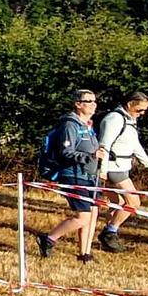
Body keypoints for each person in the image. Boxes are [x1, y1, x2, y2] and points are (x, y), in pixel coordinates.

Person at [36, 90, 105, 262]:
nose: (93, 104)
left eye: (94, 101)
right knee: (83, 216)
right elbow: (65, 151)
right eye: (88, 101)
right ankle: (49, 238)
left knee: (93, 214)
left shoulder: (88, 125)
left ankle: (84, 254)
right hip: (73, 174)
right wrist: (89, 157)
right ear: (78, 104)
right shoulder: (70, 125)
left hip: (90, 175)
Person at [95, 91, 148, 252]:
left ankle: (109, 238)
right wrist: (102, 170)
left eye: (144, 111)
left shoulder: (129, 121)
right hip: (113, 168)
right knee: (133, 202)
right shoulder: (115, 119)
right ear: (130, 104)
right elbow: (105, 144)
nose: (142, 114)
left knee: (118, 204)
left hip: (122, 166)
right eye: (140, 110)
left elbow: (135, 146)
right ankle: (110, 232)